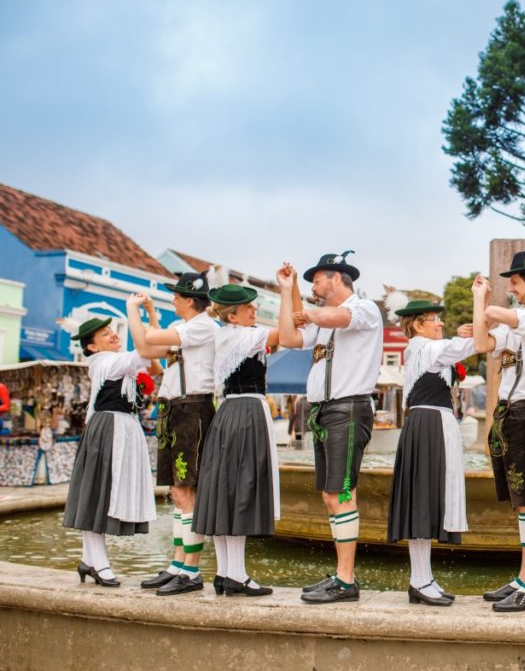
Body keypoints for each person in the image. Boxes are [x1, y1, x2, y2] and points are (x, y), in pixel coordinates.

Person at [276, 252, 383, 604]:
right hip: (325, 411)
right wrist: (286, 291)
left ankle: (346, 579)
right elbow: (290, 339)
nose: (314, 286)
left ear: (337, 278)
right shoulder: (321, 321)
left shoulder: (364, 309)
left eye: (317, 279)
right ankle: (341, 575)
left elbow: (337, 316)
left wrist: (305, 310)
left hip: (349, 409)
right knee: (329, 494)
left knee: (342, 493)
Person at [472, 247, 525, 612]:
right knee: (522, 503)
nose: (512, 289)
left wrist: (485, 303)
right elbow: (481, 343)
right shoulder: (519, 320)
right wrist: (481, 305)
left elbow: (494, 315)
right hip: (508, 415)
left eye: (515, 282)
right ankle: (523, 578)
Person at [127, 272, 217, 596]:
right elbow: (156, 351)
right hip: (176, 408)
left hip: (191, 409)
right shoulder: (188, 329)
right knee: (179, 492)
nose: (172, 301)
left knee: (186, 489)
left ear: (189, 300)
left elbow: (145, 342)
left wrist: (132, 310)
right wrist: (150, 316)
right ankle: (178, 564)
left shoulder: (201, 325)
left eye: (176, 296)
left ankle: (190, 570)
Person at [385, 297, 478, 606]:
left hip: (429, 423)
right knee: (423, 499)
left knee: (425, 498)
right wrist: (479, 308)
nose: (441, 323)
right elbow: (469, 346)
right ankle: (420, 580)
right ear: (416, 325)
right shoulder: (423, 348)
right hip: (429, 425)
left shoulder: (425, 349)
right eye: (434, 319)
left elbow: (459, 348)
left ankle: (422, 578)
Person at [192, 284, 281, 597]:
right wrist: (287, 290)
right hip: (247, 410)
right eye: (248, 308)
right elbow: (282, 333)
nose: (254, 311)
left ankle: (225, 572)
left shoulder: (226, 335)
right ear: (232, 316)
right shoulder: (242, 335)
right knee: (242, 488)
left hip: (227, 411)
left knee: (224, 491)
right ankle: (237, 574)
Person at [63, 313, 157, 587]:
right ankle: (97, 561)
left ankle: (89, 559)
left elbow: (152, 365)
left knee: (99, 491)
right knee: (98, 492)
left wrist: (150, 316)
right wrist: (134, 312)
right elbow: (145, 351)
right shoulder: (105, 362)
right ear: (92, 346)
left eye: (112, 330)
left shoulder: (114, 362)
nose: (113, 334)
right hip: (110, 428)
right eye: (104, 334)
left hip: (121, 427)